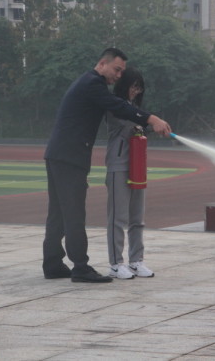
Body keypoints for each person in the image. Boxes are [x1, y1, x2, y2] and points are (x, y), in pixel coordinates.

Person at [42, 48, 171, 283]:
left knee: (58, 213)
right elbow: (118, 106)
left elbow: (120, 105)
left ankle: (52, 263)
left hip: (60, 154)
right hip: (69, 156)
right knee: (73, 213)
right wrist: (152, 118)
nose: (119, 75)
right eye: (117, 69)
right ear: (102, 63)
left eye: (121, 71)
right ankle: (80, 267)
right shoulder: (93, 84)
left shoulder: (88, 82)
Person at [105, 68, 154, 279]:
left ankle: (136, 260)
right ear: (124, 85)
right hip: (119, 165)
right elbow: (130, 118)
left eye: (139, 88)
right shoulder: (115, 107)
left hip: (137, 167)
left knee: (137, 217)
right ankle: (116, 263)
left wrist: (149, 124)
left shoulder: (135, 109)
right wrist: (149, 121)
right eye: (133, 86)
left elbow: (139, 119)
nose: (135, 91)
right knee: (118, 217)